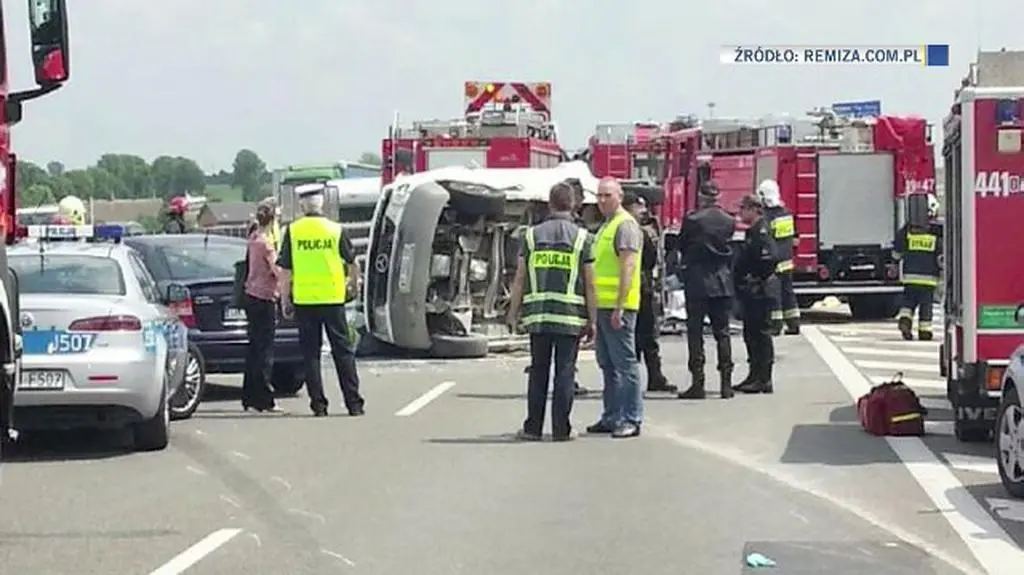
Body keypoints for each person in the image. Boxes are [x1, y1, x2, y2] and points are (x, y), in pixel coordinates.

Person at [506, 181, 597, 442]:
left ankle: (533, 428)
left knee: (538, 371)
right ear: (574, 205)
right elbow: (590, 283)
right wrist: (593, 320)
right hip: (570, 318)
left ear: (549, 203)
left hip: (539, 317)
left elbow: (520, 278)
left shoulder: (532, 236)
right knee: (565, 372)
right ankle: (561, 429)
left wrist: (513, 312)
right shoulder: (583, 238)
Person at [277, 183, 365, 417]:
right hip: (333, 299)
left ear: (303, 206)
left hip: (305, 300)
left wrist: (285, 298)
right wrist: (354, 285)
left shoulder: (293, 232)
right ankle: (353, 403)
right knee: (343, 351)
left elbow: (285, 271)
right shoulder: (335, 230)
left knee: (311, 354)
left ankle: (319, 404)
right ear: (322, 204)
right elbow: (353, 263)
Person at [585, 178, 645, 439]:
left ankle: (631, 417)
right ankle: (611, 415)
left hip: (619, 307)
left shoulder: (626, 226)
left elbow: (628, 267)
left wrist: (620, 307)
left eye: (607, 195)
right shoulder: (605, 227)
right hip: (603, 305)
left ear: (619, 197)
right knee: (607, 364)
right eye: (599, 196)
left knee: (625, 365)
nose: (601, 200)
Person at [675, 182, 736, 400]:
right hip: (722, 280)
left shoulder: (693, 220)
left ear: (701, 197)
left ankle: (698, 382)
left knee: (695, 333)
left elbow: (682, 245)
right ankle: (726, 384)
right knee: (723, 333)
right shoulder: (729, 220)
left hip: (698, 281)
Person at [624, 193, 675, 393]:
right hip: (641, 287)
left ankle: (648, 377)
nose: (643, 212)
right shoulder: (638, 232)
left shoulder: (621, 228)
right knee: (644, 335)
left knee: (640, 336)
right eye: (640, 207)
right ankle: (648, 377)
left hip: (635, 288)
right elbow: (650, 260)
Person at [733, 195, 779, 394]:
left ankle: (764, 379)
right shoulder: (753, 230)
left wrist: (754, 278)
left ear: (754, 209)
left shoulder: (761, 231)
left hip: (760, 290)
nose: (740, 212)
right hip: (753, 290)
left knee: (761, 334)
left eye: (743, 208)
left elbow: (768, 259)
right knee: (751, 334)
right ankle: (754, 375)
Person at [242, 203, 283, 413]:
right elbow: (276, 270)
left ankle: (249, 395)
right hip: (265, 297)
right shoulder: (266, 244)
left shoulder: (252, 239)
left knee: (254, 347)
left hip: (251, 294)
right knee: (266, 349)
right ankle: (266, 398)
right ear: (273, 220)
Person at [894, 194, 942, 341]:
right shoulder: (936, 231)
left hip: (910, 277)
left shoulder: (907, 231)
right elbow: (942, 255)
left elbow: (896, 253)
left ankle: (905, 320)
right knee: (925, 306)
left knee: (908, 302)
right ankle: (925, 331)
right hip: (929, 279)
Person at [757, 179, 800, 335]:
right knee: (788, 292)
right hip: (787, 261)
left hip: (774, 262)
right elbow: (795, 237)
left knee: (773, 294)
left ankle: (775, 325)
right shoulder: (787, 213)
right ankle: (794, 323)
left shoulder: (767, 217)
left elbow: (766, 238)